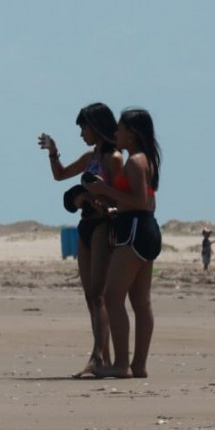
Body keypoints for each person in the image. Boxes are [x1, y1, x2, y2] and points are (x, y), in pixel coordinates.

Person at [40, 102, 122, 379]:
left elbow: (120, 193)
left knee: (99, 294)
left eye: (84, 127)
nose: (81, 133)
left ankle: (97, 357)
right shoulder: (91, 157)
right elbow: (60, 175)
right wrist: (53, 152)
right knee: (90, 297)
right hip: (85, 225)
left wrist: (99, 197)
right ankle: (103, 356)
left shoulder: (114, 158)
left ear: (96, 126)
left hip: (103, 225)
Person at [84, 108, 161, 379]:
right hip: (145, 227)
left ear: (133, 133)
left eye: (120, 129)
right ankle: (138, 365)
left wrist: (105, 190)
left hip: (135, 230)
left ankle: (121, 363)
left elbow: (139, 201)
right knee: (141, 301)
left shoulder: (134, 162)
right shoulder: (145, 160)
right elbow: (142, 200)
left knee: (113, 297)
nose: (115, 133)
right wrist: (111, 204)